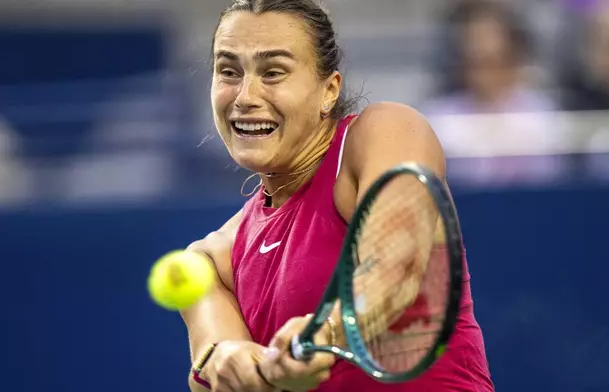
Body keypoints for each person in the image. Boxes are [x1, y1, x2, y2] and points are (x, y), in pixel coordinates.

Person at [181, 1, 495, 391]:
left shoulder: (386, 133)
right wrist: (232, 365)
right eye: (228, 71)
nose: (245, 96)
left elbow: (392, 270)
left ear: (329, 90)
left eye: (273, 72)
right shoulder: (209, 261)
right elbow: (213, 360)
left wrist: (325, 332)